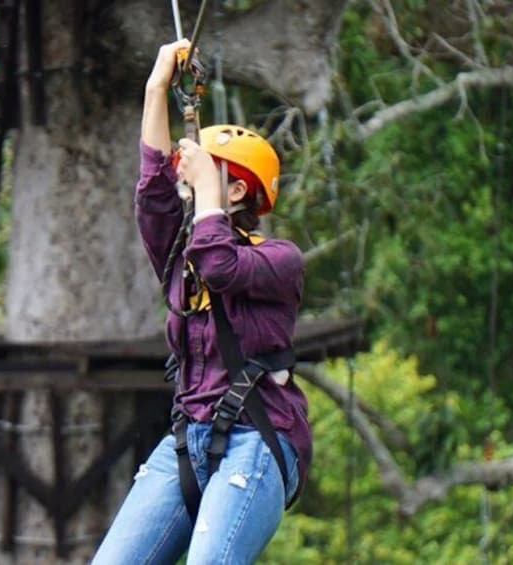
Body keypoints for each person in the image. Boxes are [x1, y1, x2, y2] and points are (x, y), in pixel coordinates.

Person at [91, 39, 312, 565]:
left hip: (258, 437)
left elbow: (221, 264)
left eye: (203, 177)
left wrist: (206, 193)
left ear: (236, 192)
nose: (186, 183)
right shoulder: (180, 254)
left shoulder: (279, 261)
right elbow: (153, 193)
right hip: (189, 438)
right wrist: (156, 89)